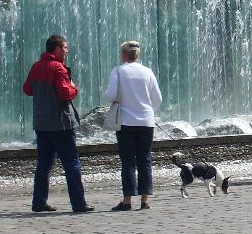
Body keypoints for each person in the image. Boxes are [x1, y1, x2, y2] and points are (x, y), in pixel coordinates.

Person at [23, 35, 93, 213]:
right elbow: (64, 93)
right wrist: (74, 88)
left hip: (41, 124)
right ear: (56, 49)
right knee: (71, 164)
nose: (67, 51)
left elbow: (28, 89)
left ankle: (38, 202)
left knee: (43, 165)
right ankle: (78, 203)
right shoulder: (58, 68)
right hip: (60, 124)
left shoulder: (36, 66)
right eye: (64, 48)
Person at [106, 41, 163, 211]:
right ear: (138, 55)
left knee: (128, 162)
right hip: (146, 122)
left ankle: (127, 200)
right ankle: (145, 200)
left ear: (124, 54)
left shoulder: (118, 71)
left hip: (125, 122)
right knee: (144, 160)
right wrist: (147, 110)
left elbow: (110, 95)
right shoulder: (147, 72)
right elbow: (158, 98)